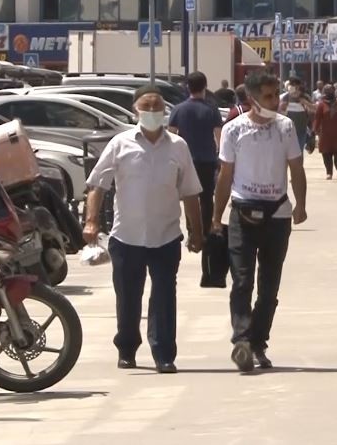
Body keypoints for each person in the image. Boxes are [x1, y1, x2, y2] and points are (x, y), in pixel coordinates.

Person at [84, 86, 204, 374]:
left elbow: (190, 192)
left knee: (164, 295)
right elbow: (97, 185)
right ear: (136, 110)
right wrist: (91, 221)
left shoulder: (178, 146)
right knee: (128, 297)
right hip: (127, 237)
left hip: (166, 236)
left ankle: (164, 353)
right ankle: (126, 347)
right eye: (146, 106)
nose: (152, 112)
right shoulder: (120, 143)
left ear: (165, 111)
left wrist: (196, 231)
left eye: (157, 107)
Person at [212, 71, 308, 372]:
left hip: (277, 215)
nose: (275, 100)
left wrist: (301, 204)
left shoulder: (286, 128)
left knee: (269, 288)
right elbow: (225, 175)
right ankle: (241, 340)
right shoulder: (233, 130)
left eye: (276, 93)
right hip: (243, 212)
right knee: (242, 280)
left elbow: (296, 168)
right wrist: (216, 215)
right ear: (252, 98)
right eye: (268, 95)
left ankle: (258, 342)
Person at [168, 71, 223, 236]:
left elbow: (171, 134)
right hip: (207, 159)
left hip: (185, 160)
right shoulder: (212, 109)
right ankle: (206, 229)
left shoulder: (178, 109)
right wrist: (219, 155)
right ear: (205, 87)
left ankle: (192, 230)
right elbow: (219, 135)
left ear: (187, 87)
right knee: (207, 197)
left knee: (188, 195)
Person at [313, 84, 337, 180]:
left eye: (330, 91)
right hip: (325, 134)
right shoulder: (321, 104)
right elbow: (317, 118)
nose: (328, 93)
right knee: (326, 153)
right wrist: (315, 130)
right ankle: (329, 173)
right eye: (327, 91)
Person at [279, 78, 314, 152]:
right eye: (292, 87)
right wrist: (282, 107)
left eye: (297, 87)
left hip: (301, 131)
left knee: (298, 153)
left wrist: (305, 103)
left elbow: (315, 109)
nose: (295, 90)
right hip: (286, 132)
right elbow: (277, 113)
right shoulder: (283, 98)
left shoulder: (305, 97)